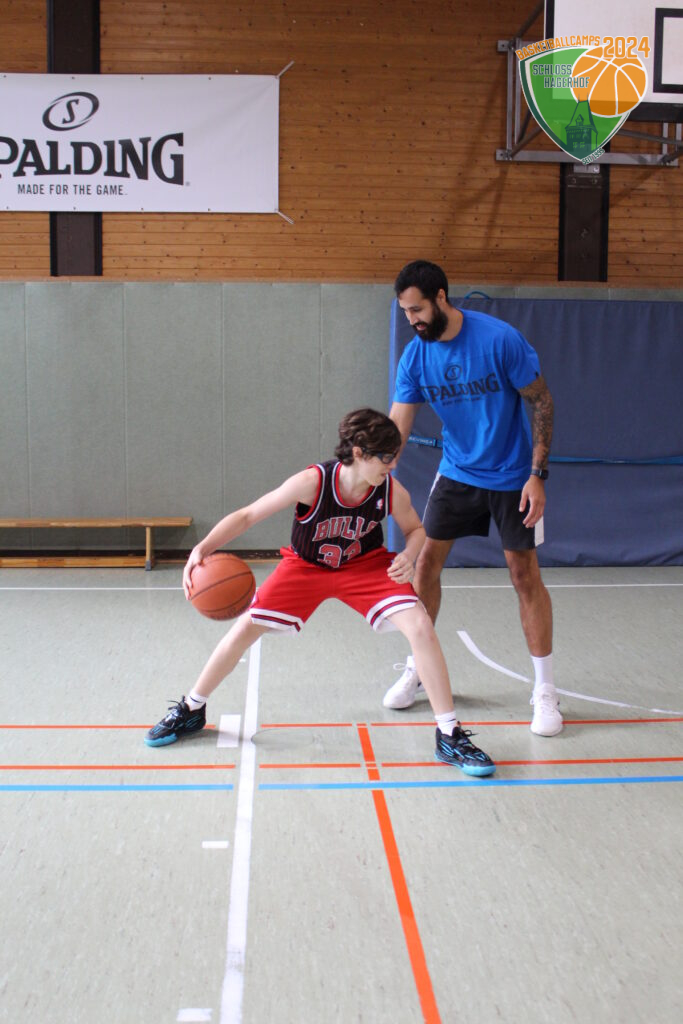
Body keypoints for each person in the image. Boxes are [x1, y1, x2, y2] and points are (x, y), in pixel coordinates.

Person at [145, 408, 495, 776]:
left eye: (395, 457)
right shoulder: (312, 482)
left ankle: (449, 734)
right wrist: (202, 548)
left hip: (364, 566)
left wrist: (408, 556)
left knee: (420, 624)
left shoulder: (390, 490)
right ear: (359, 452)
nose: (393, 465)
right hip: (306, 567)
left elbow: (416, 530)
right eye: (386, 457)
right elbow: (248, 515)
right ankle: (192, 708)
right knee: (245, 627)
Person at [382, 260, 563, 737]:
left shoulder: (499, 340)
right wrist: (375, 469)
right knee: (425, 565)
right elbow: (398, 425)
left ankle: (545, 690)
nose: (412, 320)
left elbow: (541, 400)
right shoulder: (415, 357)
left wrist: (537, 474)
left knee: (524, 575)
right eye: (405, 312)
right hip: (457, 472)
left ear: (441, 298)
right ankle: (418, 668)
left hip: (512, 475)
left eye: (417, 309)